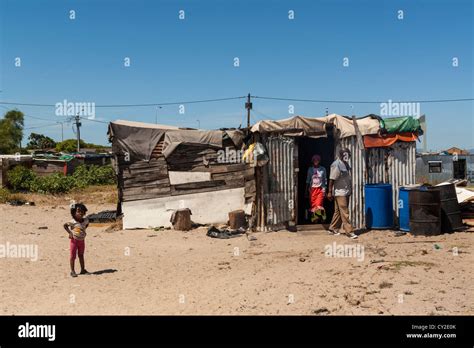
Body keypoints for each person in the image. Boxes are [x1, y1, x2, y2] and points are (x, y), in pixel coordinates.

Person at [327, 148, 358, 239]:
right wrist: (329, 192)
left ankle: (332, 228)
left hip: (346, 191)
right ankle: (349, 232)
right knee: (345, 212)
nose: (347, 156)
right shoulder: (336, 165)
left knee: (338, 211)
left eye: (348, 155)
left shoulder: (345, 164)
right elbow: (331, 179)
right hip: (340, 192)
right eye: (345, 155)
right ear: (341, 155)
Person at [64, 203, 90, 277]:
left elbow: (86, 225)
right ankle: (72, 271)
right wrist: (70, 233)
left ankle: (83, 270)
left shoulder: (85, 220)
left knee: (81, 255)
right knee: (73, 256)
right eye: (78, 211)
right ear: (74, 212)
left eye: (82, 211)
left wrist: (83, 231)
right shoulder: (72, 222)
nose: (80, 213)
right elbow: (65, 225)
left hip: (82, 241)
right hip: (74, 241)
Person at [305, 154, 327, 223]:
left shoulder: (323, 169)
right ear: (312, 161)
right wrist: (306, 191)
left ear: (319, 161)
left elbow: (325, 180)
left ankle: (322, 216)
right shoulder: (310, 169)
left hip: (320, 189)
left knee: (318, 204)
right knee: (313, 206)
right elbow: (308, 180)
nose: (316, 161)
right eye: (314, 159)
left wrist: (325, 190)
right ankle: (316, 219)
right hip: (312, 190)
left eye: (317, 159)